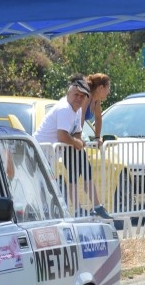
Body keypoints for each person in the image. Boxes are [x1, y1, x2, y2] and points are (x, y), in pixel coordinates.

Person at [34, 77, 110, 219]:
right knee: (41, 187)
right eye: (76, 94)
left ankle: (93, 207)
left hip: (51, 154)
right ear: (68, 94)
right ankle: (74, 210)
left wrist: (78, 140)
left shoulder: (77, 109)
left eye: (82, 96)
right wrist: (77, 142)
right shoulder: (65, 108)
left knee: (82, 172)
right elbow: (62, 135)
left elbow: (77, 131)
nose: (79, 98)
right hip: (38, 153)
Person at [85, 73, 111, 144]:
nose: (109, 92)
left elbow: (98, 118)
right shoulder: (87, 96)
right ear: (101, 88)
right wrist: (78, 138)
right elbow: (80, 117)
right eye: (108, 88)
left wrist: (97, 138)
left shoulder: (97, 99)